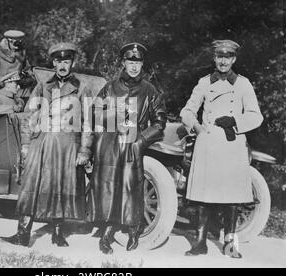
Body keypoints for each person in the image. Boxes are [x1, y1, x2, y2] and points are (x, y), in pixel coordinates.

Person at [0, 42, 92, 247]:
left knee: (60, 187)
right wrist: (25, 145)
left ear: (72, 63)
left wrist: (84, 149)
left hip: (66, 145)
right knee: (31, 186)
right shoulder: (42, 86)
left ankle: (58, 234)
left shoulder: (82, 88)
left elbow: (88, 122)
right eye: (59, 61)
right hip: (41, 143)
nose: (62, 66)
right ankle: (23, 234)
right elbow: (31, 115)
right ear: (53, 63)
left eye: (66, 61)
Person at [180, 40, 263, 258]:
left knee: (232, 197)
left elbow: (256, 116)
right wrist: (198, 128)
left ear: (234, 59)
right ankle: (200, 243)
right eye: (219, 56)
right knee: (203, 196)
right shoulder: (204, 82)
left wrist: (235, 122)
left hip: (233, 144)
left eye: (227, 57)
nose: (223, 61)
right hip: (208, 144)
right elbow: (187, 111)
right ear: (214, 58)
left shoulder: (243, 84)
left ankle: (229, 244)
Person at [87, 43, 167, 254]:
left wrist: (141, 140)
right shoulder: (110, 87)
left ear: (142, 64)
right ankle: (106, 234)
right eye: (130, 62)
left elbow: (160, 123)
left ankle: (134, 230)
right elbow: (94, 112)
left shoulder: (150, 90)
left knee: (132, 189)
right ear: (123, 62)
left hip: (133, 146)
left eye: (137, 62)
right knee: (109, 189)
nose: (133, 66)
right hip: (110, 146)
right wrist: (113, 118)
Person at [0, 73, 30, 181]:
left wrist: (19, 104)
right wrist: (13, 107)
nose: (19, 87)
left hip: (18, 136)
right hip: (3, 139)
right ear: (8, 84)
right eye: (16, 84)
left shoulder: (17, 99)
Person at [0, 30, 36, 101]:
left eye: (20, 43)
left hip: (20, 94)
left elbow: (28, 69)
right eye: (16, 43)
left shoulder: (20, 53)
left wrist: (28, 78)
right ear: (8, 41)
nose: (17, 47)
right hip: (0, 96)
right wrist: (8, 83)